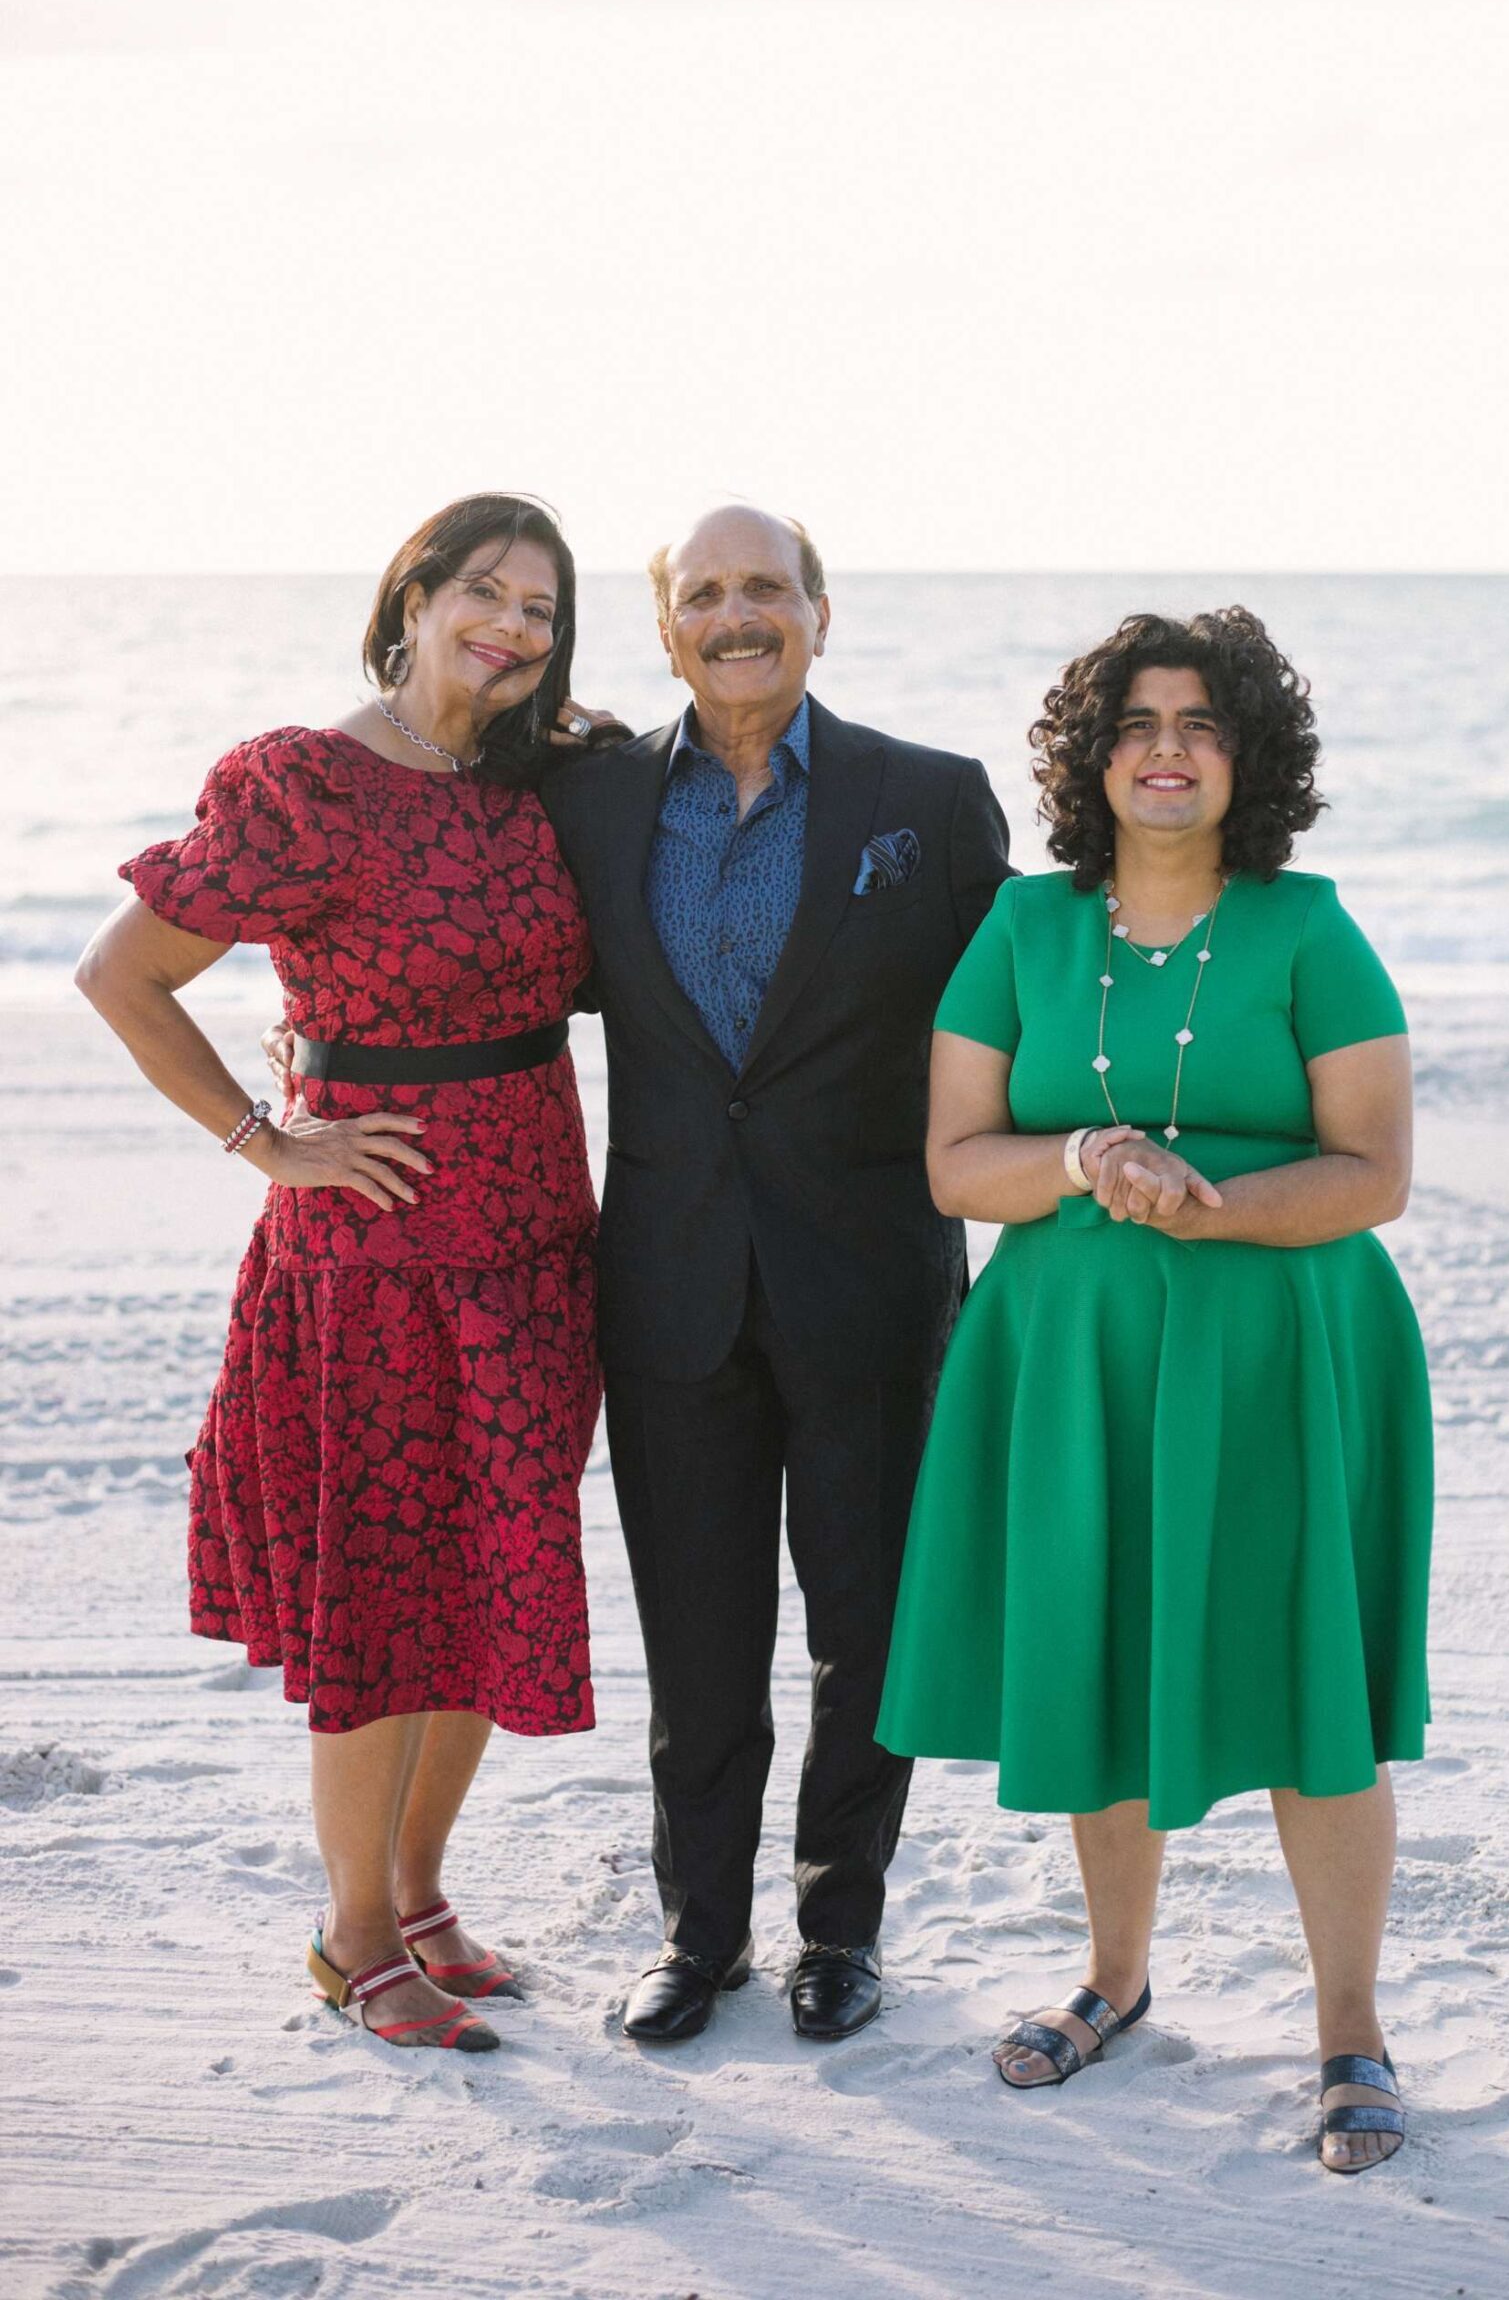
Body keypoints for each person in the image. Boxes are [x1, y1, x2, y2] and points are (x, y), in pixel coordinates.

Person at [875, 607, 1431, 2174]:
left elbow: (1376, 1171)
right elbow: (956, 1162)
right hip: (1075, 1362)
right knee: (1102, 1655)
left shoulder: (1310, 927)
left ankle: (1351, 2027)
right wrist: (1079, 1158)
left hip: (1280, 1357)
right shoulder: (1023, 928)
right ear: (1093, 760)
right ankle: (1114, 1979)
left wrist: (1212, 1208)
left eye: (1200, 723)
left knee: (1312, 1690)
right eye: (1135, 724)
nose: (1166, 750)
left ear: (1249, 757)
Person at [75, 494, 609, 2055]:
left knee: (491, 1575)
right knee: (382, 1596)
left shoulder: (542, 780)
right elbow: (121, 973)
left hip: (535, 1240)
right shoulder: (305, 784)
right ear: (414, 596)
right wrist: (269, 1138)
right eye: (486, 592)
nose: (511, 627)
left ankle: (421, 1895)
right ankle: (352, 1931)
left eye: (540, 609)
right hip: (374, 1249)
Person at [542, 503, 1011, 2045]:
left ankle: (841, 1927)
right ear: (664, 628)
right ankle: (701, 1934)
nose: (735, 614)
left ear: (820, 610)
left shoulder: (928, 800)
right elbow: (480, 949)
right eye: (704, 594)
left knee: (864, 1630)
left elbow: (1016, 1016)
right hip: (668, 1280)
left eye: (765, 587)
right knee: (697, 1638)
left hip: (872, 1284)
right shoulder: (587, 800)